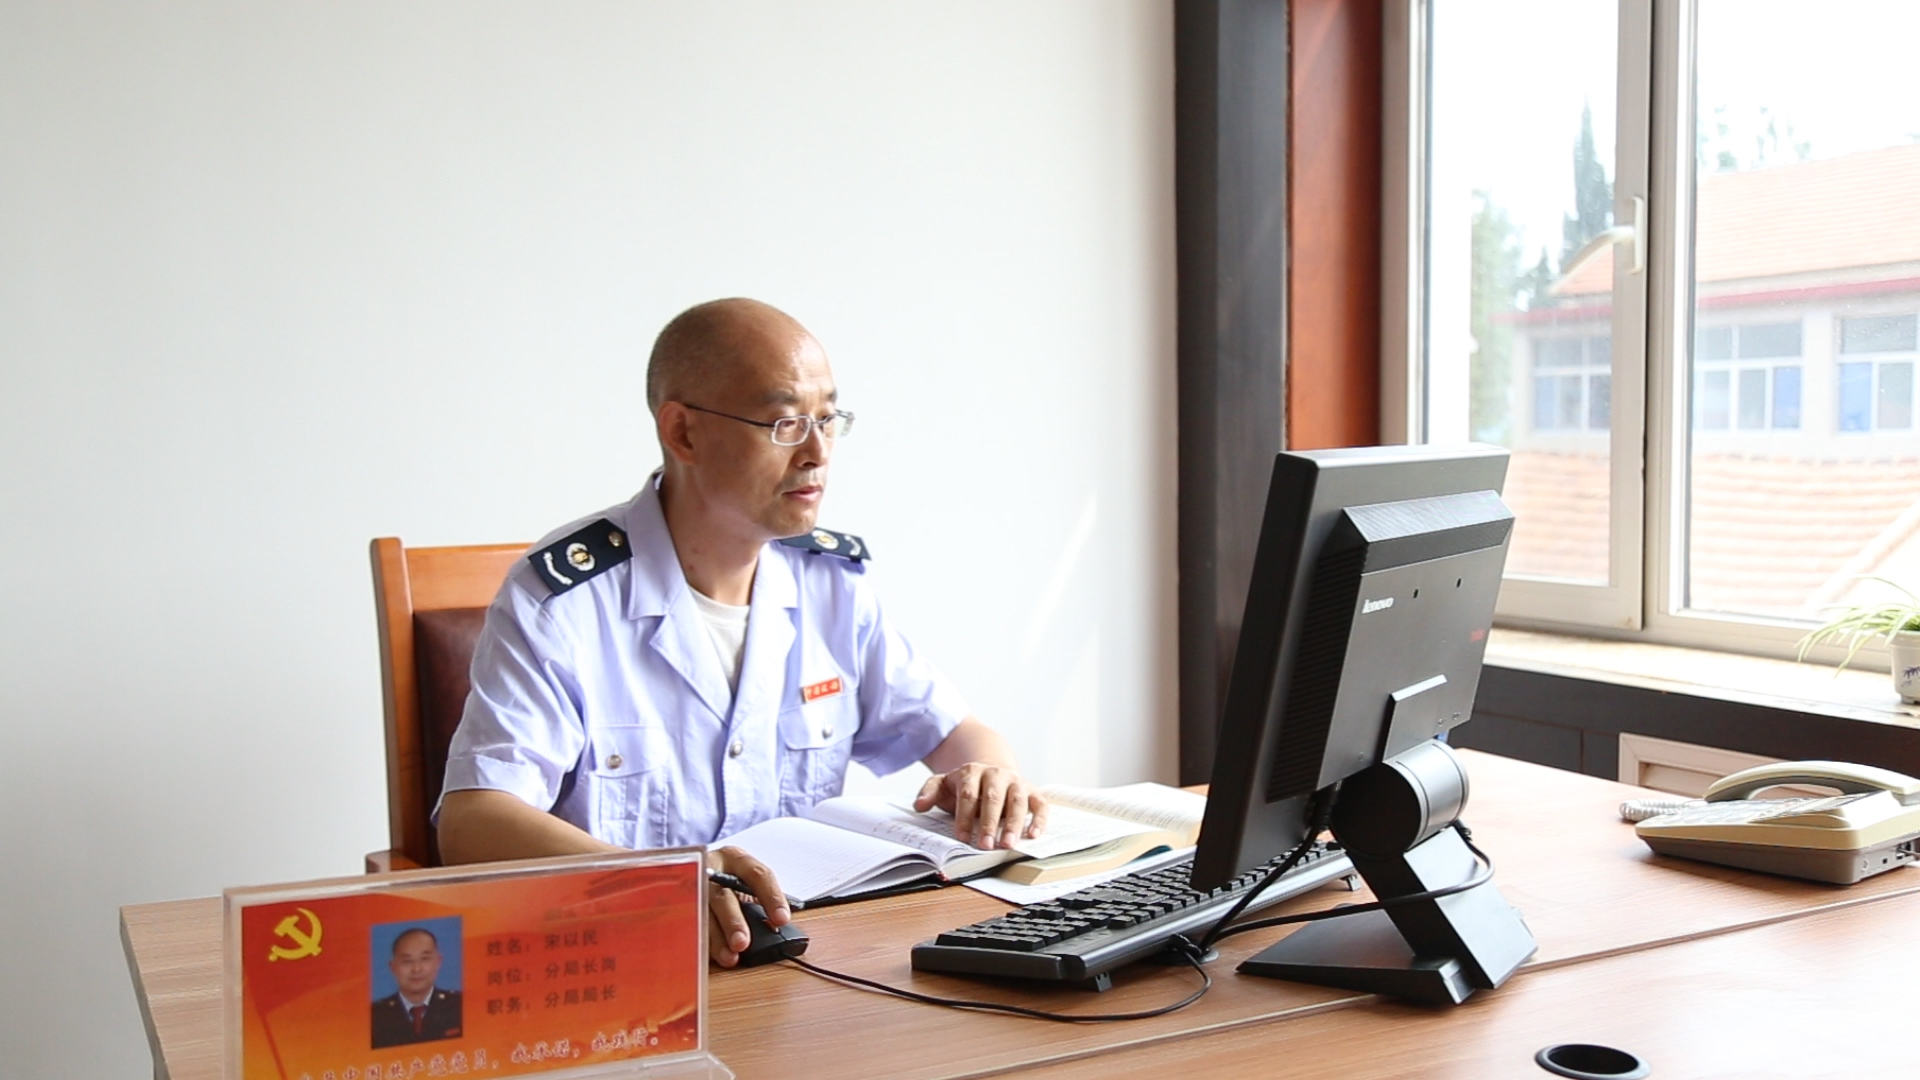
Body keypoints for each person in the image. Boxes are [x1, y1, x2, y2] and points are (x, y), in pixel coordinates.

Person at [435, 298, 1047, 967]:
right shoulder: (563, 601)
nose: (817, 453)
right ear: (683, 433)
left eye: (827, 419)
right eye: (785, 424)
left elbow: (954, 732)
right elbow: (474, 821)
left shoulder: (830, 585)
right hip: (628, 963)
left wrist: (990, 776)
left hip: (803, 962)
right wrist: (666, 881)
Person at [371, 928, 462, 1049]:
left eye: (425, 959)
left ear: (438, 962)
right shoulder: (375, 1015)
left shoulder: (460, 1005)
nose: (416, 969)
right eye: (407, 961)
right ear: (393, 967)